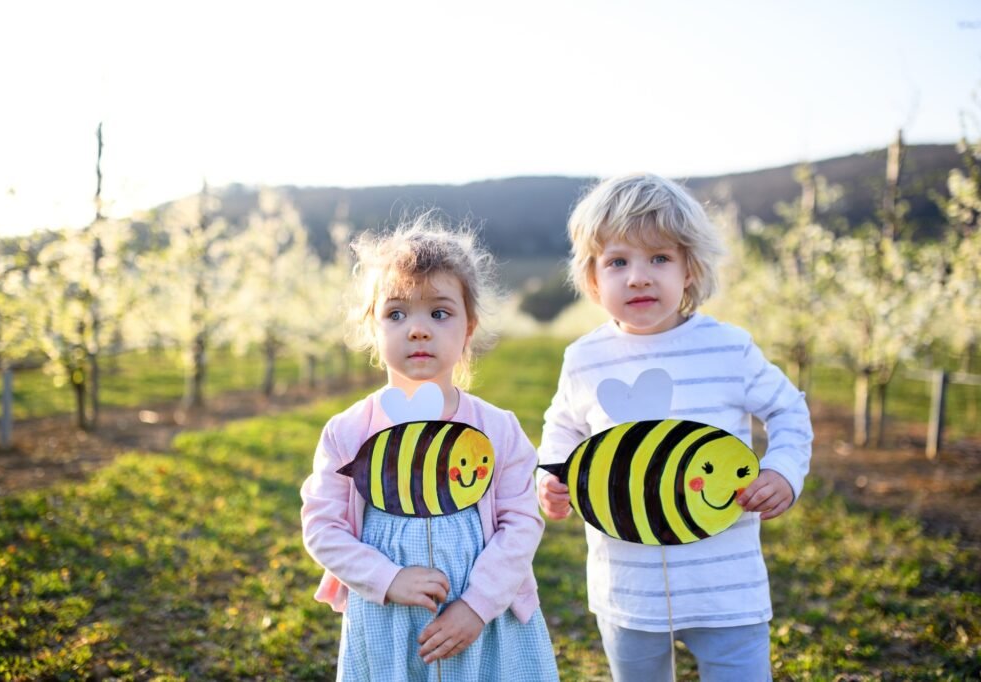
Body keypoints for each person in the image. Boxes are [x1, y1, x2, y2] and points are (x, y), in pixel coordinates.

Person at [537, 173, 813, 681]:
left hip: (723, 580)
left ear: (690, 269)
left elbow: (788, 410)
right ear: (593, 279)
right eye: (618, 261)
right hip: (628, 582)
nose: (638, 277)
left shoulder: (727, 348)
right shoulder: (584, 359)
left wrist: (783, 471)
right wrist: (551, 477)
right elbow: (562, 427)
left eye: (659, 258)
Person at [301, 214, 559, 681]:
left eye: (439, 313)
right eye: (396, 313)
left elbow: (521, 523)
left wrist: (477, 607)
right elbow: (322, 525)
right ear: (373, 330)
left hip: (484, 622)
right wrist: (387, 579)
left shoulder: (497, 429)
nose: (417, 329)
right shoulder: (349, 431)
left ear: (468, 329)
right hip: (389, 621)